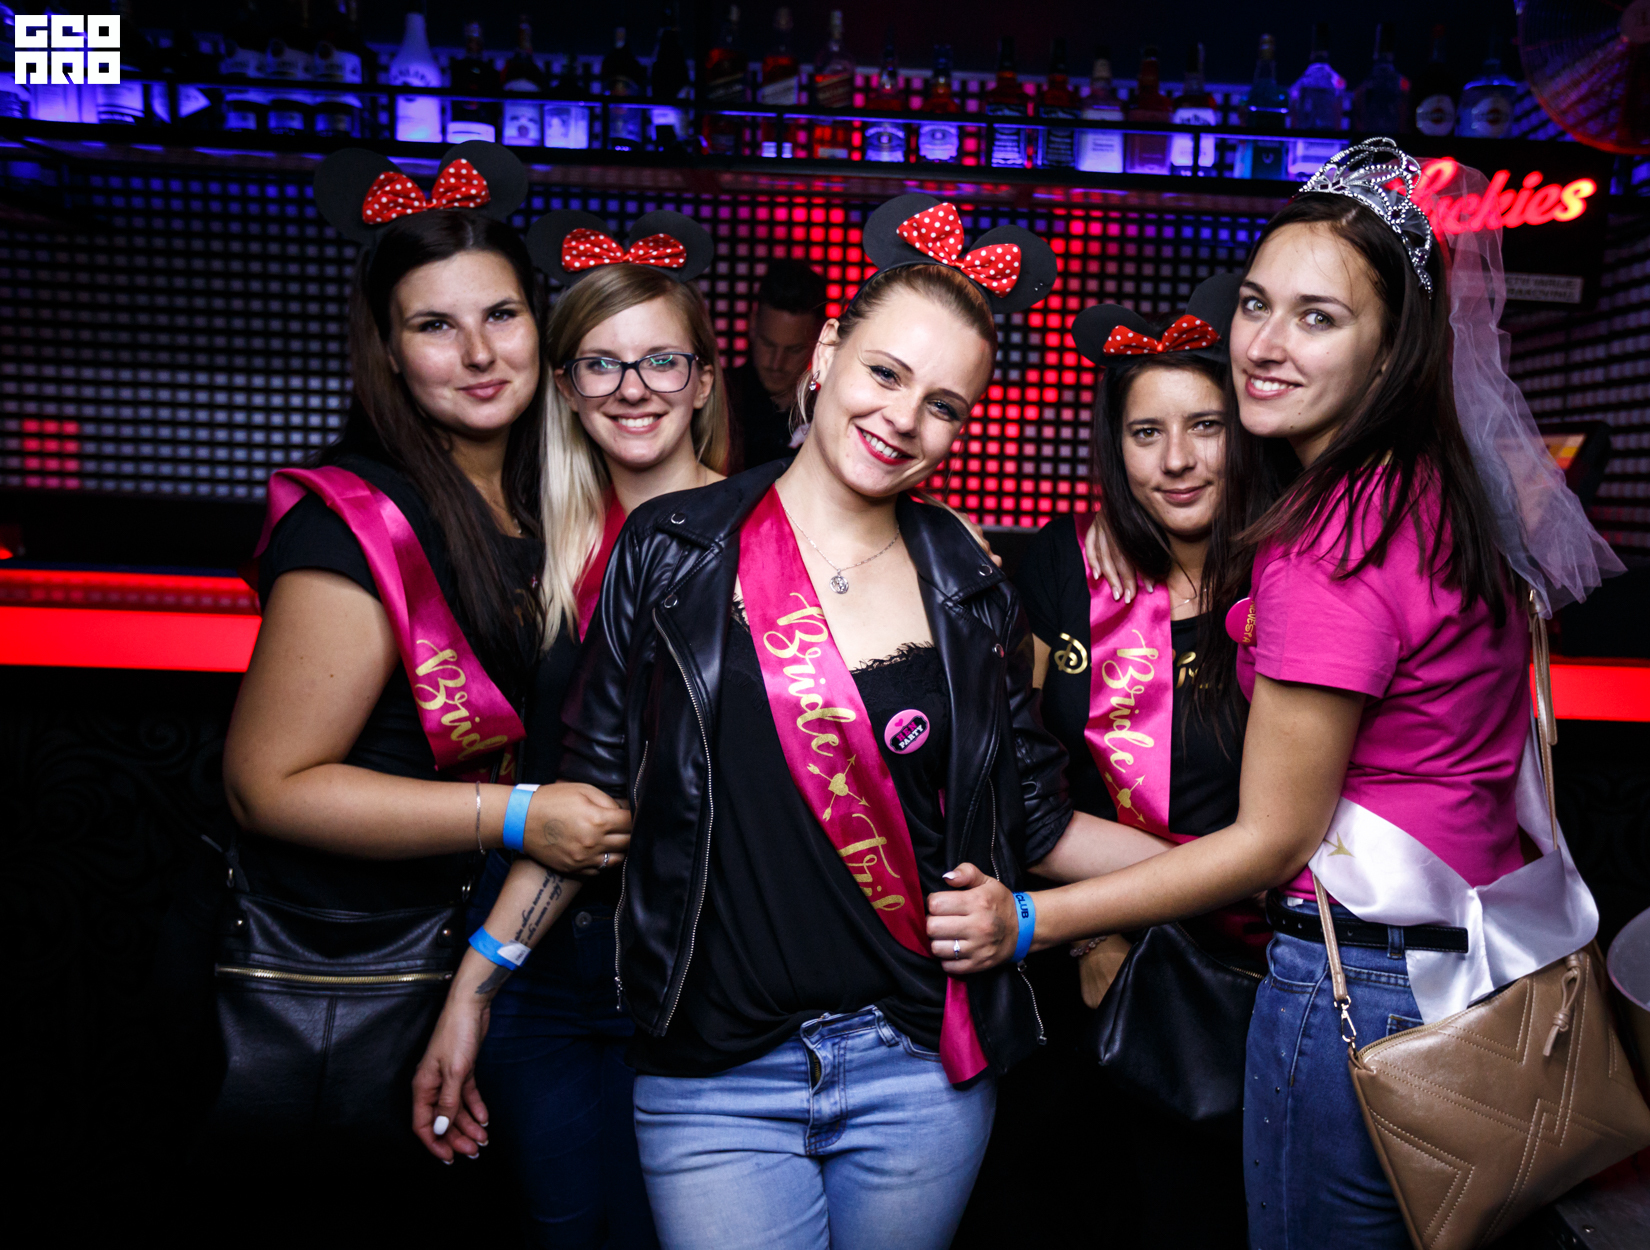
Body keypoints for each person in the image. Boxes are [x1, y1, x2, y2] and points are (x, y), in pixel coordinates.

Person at [412, 194, 1171, 1250]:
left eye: (943, 405)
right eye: (885, 373)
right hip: (714, 1076)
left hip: (916, 1070)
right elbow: (591, 801)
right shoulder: (671, 550)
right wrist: (476, 986)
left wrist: (1243, 873)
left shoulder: (971, 590)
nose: (903, 419)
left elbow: (1038, 823)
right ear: (826, 356)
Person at [949, 140, 1618, 1248]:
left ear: (1391, 346)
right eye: (1257, 304)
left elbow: (1272, 840)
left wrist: (1030, 918)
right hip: (1474, 966)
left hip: (1358, 985)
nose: (1261, 343)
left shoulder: (1328, 545)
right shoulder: (1430, 493)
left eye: (1318, 317)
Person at [214, 144, 629, 1232]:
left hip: (487, 956)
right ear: (389, 353)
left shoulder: (547, 502)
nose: (479, 353)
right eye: (435, 325)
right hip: (354, 969)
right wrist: (521, 813)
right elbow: (266, 785)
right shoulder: (351, 522)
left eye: (502, 314)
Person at [425, 207, 728, 1248]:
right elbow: (559, 777)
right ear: (564, 387)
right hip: (542, 963)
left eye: (660, 360)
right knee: (559, 1231)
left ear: (703, 380)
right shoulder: (533, 543)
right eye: (600, 363)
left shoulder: (764, 537)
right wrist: (476, 987)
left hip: (688, 969)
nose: (631, 387)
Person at [990, 276, 1265, 1249]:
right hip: (1075, 981)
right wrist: (1102, 928)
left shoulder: (1289, 574)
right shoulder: (1061, 567)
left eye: (1205, 426)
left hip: (1241, 984)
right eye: (1147, 433)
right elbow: (1016, 781)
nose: (1177, 459)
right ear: (1115, 448)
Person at [726, 257, 827, 469]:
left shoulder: (826, 409)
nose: (777, 363)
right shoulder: (719, 398)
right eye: (768, 344)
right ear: (752, 325)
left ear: (819, 338)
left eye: (793, 350)